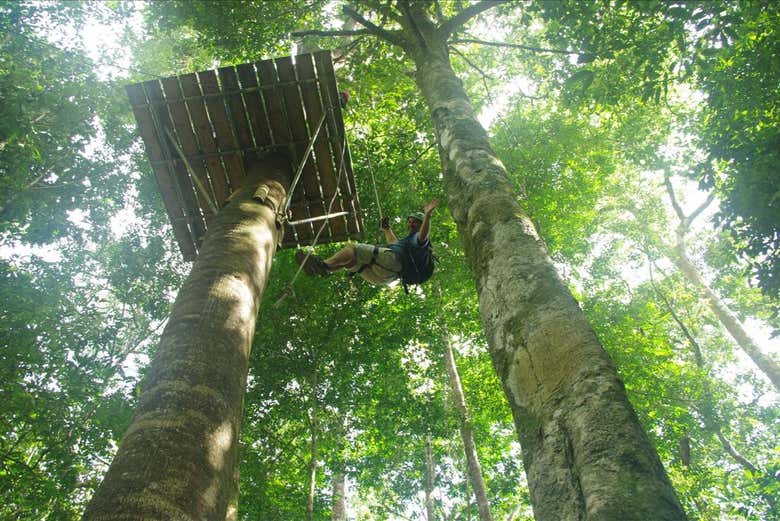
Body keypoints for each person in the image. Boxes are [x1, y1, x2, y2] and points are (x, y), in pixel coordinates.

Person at [296, 198, 439, 285]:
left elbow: (424, 233)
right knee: (351, 261)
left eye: (415, 222)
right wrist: (387, 229)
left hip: (392, 264)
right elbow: (394, 245)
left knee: (353, 249)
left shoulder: (419, 240)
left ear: (421, 224)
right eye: (410, 221)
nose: (411, 224)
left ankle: (323, 265)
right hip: (386, 277)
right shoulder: (408, 245)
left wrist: (427, 215)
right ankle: (324, 270)